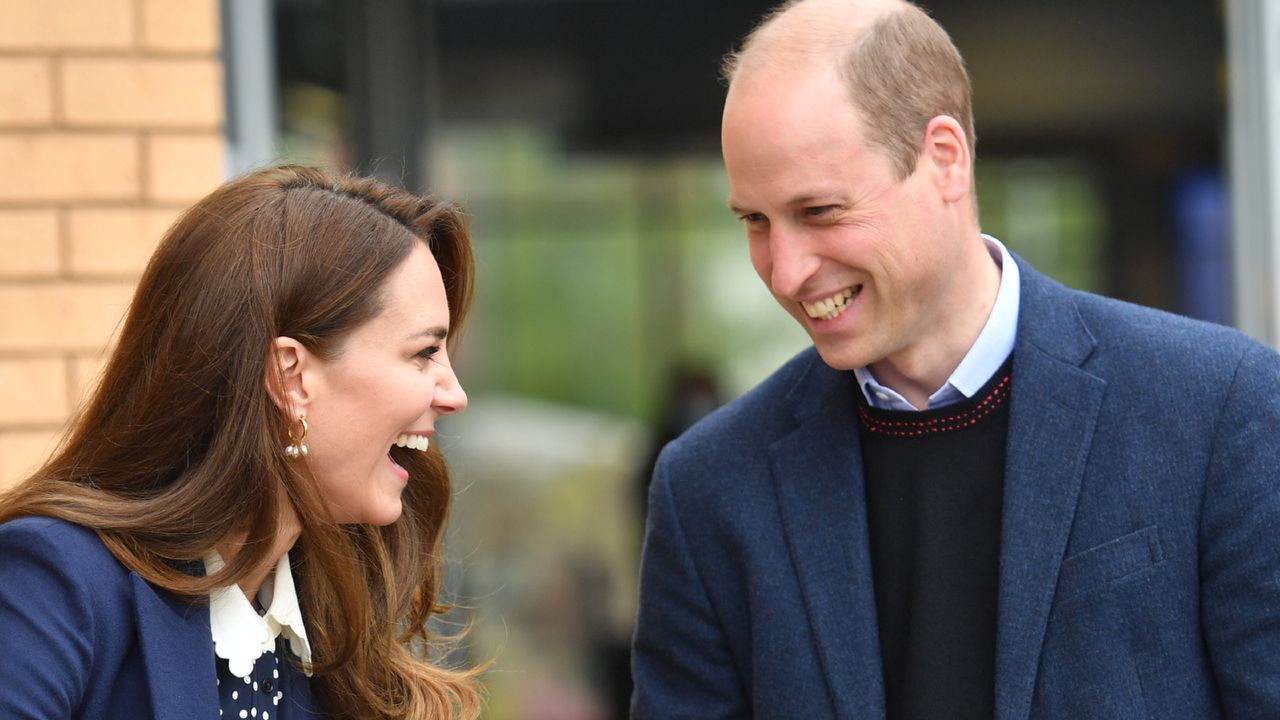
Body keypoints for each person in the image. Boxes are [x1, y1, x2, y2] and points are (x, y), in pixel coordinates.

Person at [631, 1, 1280, 718]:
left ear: (944, 158)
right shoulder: (709, 491)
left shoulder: (1215, 410)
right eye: (755, 220)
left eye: (819, 212)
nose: (784, 273)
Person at [0, 166, 483, 719]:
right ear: (290, 377)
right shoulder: (54, 586)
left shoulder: (330, 639)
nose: (453, 394)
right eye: (424, 353)